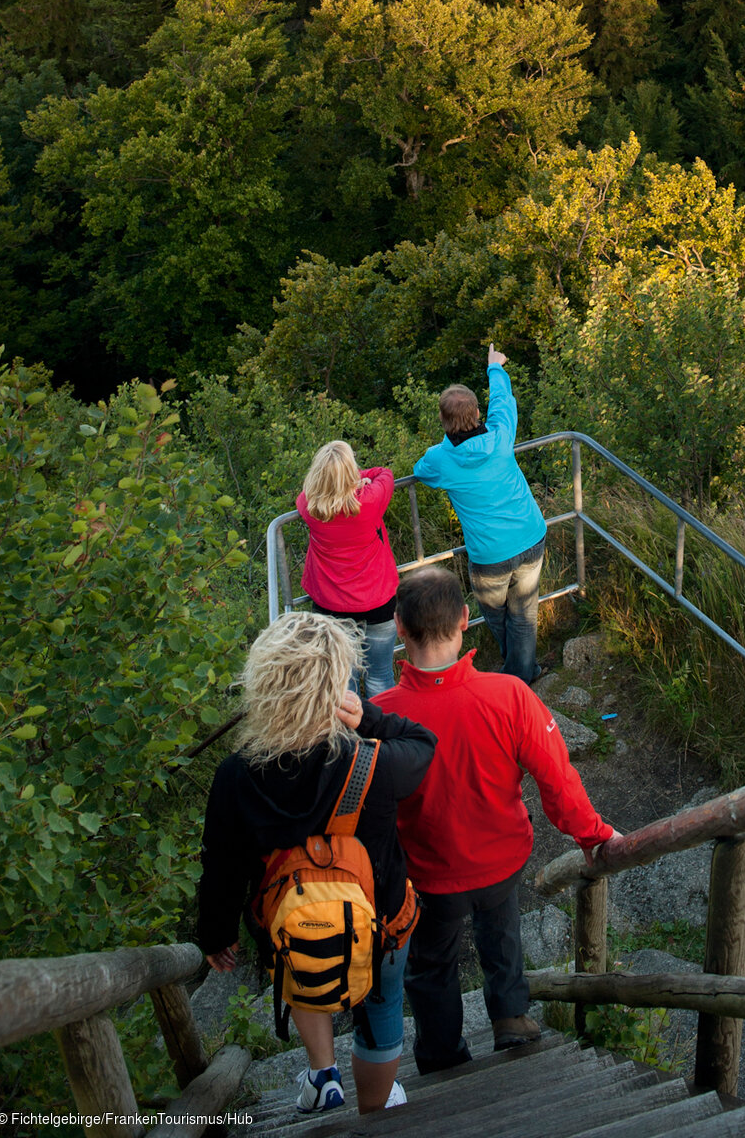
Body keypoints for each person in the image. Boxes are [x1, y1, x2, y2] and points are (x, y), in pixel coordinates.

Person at [373, 566, 617, 1076]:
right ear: (465, 619)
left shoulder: (381, 716)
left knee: (432, 965)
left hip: (430, 876)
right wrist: (595, 835)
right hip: (501, 860)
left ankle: (441, 1053)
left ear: (399, 627)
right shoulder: (509, 696)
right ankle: (510, 1016)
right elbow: (557, 779)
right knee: (502, 934)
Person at [199, 612, 437, 1115]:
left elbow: (222, 865)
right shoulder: (370, 761)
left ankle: (324, 1075)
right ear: (335, 685)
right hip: (382, 918)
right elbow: (422, 744)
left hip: (291, 918)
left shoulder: (236, 776)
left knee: (304, 965)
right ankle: (374, 1108)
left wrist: (214, 934)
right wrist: (368, 717)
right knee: (383, 1006)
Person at [413, 343, 546, 683]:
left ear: (444, 421)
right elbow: (502, 402)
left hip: (490, 556)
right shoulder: (501, 436)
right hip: (530, 536)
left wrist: (444, 445)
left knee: (496, 615)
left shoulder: (441, 460)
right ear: (475, 415)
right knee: (523, 613)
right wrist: (494, 368)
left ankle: (516, 677)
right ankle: (523, 670)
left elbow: (421, 470)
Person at [298, 440, 399, 697]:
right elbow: (384, 474)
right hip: (378, 599)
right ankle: (382, 734)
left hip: (331, 604)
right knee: (380, 675)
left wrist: (341, 483)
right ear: (350, 472)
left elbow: (307, 492)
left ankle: (351, 736)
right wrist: (358, 481)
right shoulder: (370, 500)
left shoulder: (309, 507)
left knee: (343, 681)